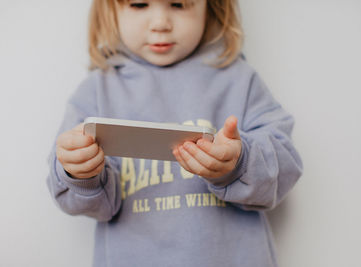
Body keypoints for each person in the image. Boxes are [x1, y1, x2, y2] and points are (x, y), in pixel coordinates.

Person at [46, 0, 303, 266]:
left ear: (212, 7)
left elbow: (286, 166)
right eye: (139, 4)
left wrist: (240, 162)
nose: (160, 24)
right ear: (109, 10)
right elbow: (85, 203)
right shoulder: (96, 91)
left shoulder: (239, 80)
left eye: (179, 4)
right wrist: (79, 172)